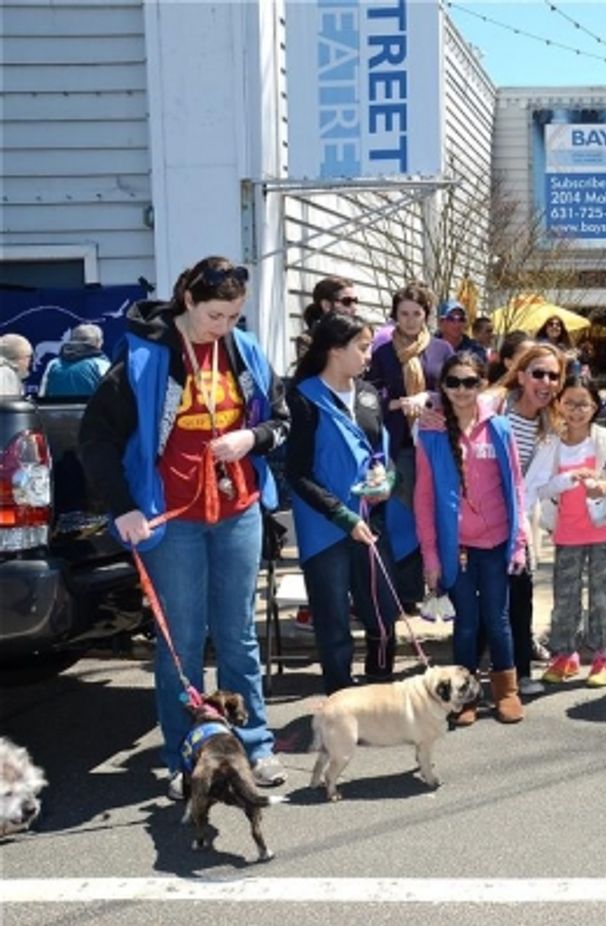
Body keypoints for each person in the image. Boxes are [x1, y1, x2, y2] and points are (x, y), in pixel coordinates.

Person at [78, 256, 288, 799]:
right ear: (189, 301)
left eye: (234, 316)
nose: (225, 327)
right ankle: (183, 755)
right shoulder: (145, 357)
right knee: (182, 643)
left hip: (237, 508)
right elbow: (95, 438)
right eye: (216, 315)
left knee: (238, 635)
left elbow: (280, 421)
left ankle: (254, 746)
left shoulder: (245, 352)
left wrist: (251, 439)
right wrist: (122, 506)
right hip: (169, 520)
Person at [285, 313, 401, 695]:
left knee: (383, 610)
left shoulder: (369, 393)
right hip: (326, 527)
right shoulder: (302, 398)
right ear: (335, 350)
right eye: (363, 347)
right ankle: (341, 696)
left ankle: (380, 685)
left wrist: (389, 481)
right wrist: (341, 514)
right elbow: (297, 473)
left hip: (372, 518)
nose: (369, 356)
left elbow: (384, 452)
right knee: (333, 617)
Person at [415, 351, 529, 724]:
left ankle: (506, 690)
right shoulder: (430, 433)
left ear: (481, 384)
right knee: (466, 621)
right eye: (453, 382)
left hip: (496, 544)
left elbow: (515, 485)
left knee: (497, 619)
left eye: (470, 382)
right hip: (456, 548)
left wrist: (519, 540)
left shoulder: (499, 428)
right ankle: (463, 697)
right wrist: (431, 558)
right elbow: (424, 499)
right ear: (442, 386)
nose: (461, 390)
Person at [525, 377, 606, 688]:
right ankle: (566, 655)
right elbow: (537, 486)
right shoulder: (551, 443)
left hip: (603, 529)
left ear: (594, 407)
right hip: (566, 531)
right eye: (569, 403)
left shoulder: (605, 439)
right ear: (558, 404)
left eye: (583, 404)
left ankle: (602, 656)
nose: (575, 411)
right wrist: (567, 480)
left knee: (604, 595)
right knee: (566, 596)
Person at [366, 282, 455, 609]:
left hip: (436, 441)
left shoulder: (442, 350)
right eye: (403, 313)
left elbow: (454, 389)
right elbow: (369, 394)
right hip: (398, 443)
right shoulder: (381, 352)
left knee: (437, 511)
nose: (410, 320)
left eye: (416, 313)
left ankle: (444, 584)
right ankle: (407, 591)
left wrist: (427, 398)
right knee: (403, 515)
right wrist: (395, 403)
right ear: (395, 315)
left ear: (426, 315)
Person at [483, 343, 565, 696]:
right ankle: (468, 677)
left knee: (520, 597)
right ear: (521, 376)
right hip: (480, 519)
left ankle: (518, 673)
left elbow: (540, 484)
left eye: (553, 375)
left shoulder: (551, 424)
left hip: (519, 523)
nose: (546, 382)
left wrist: (574, 482)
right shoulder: (491, 405)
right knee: (483, 602)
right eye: (538, 373)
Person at [294, 276, 357, 361]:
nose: (354, 308)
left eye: (355, 301)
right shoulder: (308, 340)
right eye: (347, 302)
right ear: (326, 305)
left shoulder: (359, 336)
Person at [37, 324, 110, 398]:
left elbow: (41, 396)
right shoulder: (102, 365)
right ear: (99, 342)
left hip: (57, 409)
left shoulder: (53, 364)